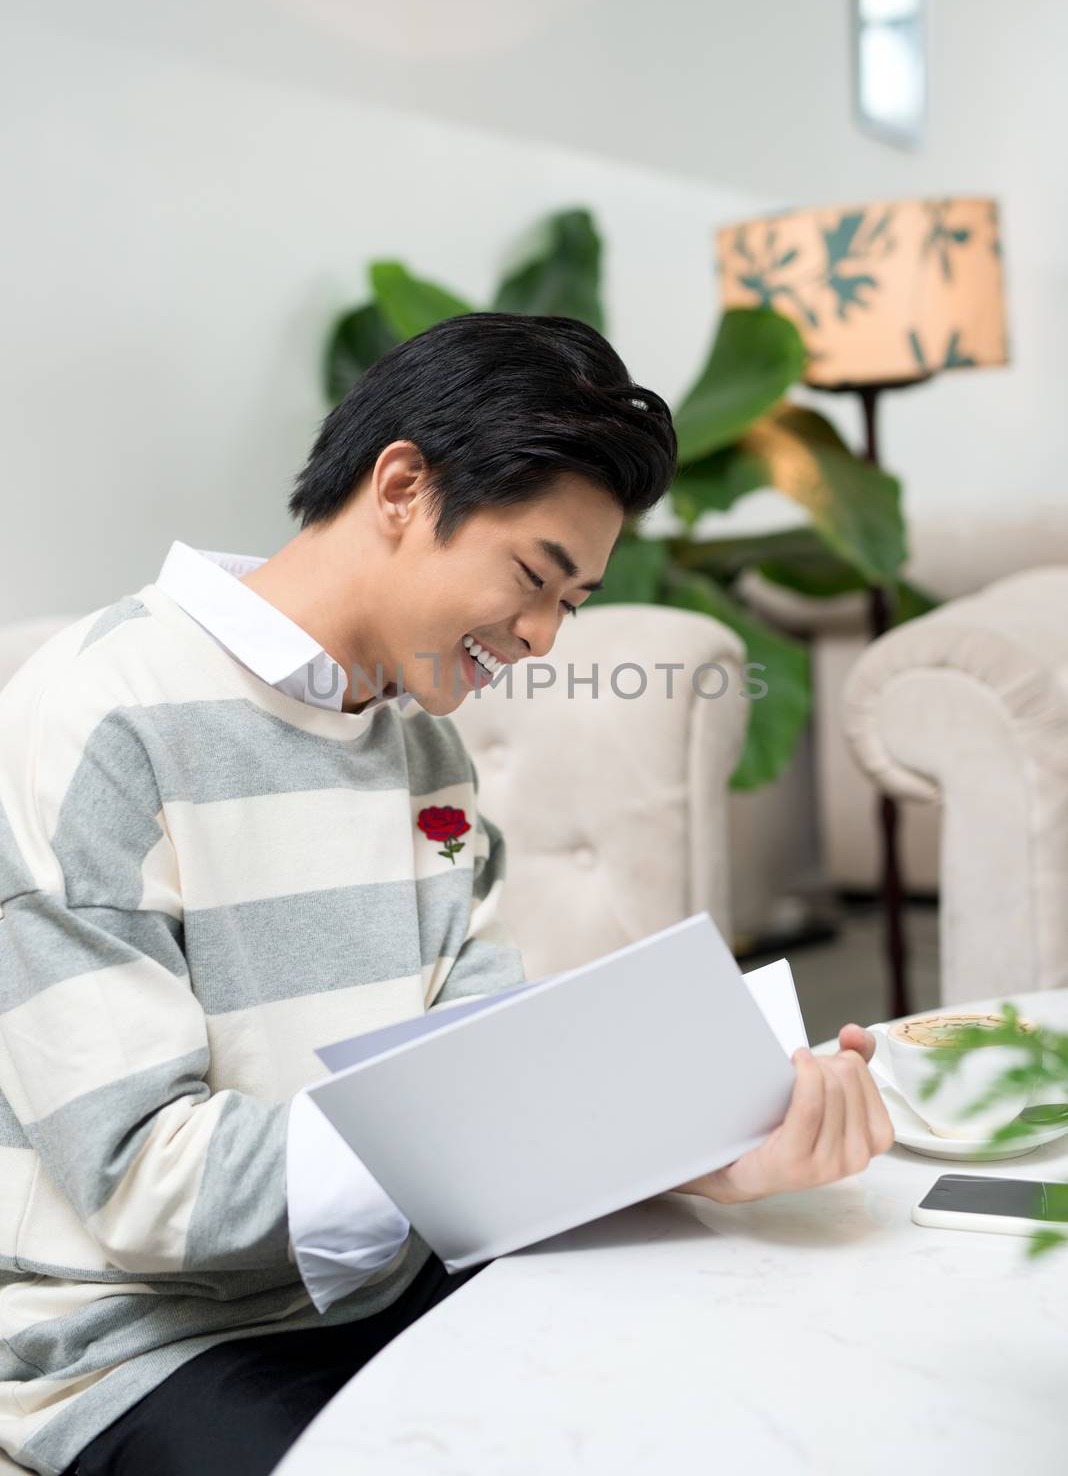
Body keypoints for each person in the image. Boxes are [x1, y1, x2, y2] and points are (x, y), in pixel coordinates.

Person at [0, 313, 892, 1476]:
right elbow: (140, 1183)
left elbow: (484, 1068)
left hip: (401, 1285)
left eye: (569, 604)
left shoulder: (426, 752)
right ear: (405, 485)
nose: (537, 636)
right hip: (145, 1346)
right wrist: (498, 1123)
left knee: (752, 1392)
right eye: (534, 575)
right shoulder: (99, 718)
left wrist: (697, 1142)